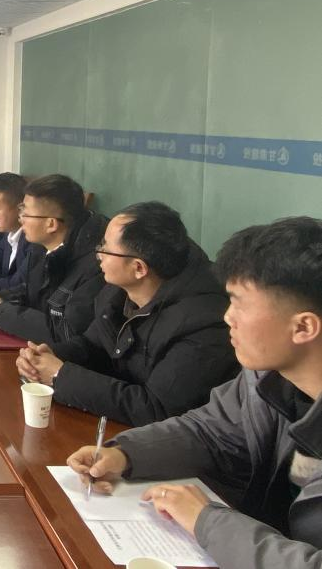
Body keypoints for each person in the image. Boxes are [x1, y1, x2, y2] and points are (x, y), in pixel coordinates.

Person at [67, 217, 322, 569]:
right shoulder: (266, 377)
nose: (227, 317)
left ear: (304, 326)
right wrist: (125, 454)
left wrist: (207, 521)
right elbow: (209, 431)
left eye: (240, 304)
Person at [16, 201, 237, 426]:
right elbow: (93, 346)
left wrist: (60, 375)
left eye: (105, 248)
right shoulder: (117, 292)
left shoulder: (205, 323)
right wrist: (48, 358)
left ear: (139, 268)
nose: (98, 254)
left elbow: (156, 410)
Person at [0, 174, 106, 343]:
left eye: (26, 214)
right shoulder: (41, 246)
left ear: (51, 224)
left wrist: (0, 312)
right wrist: (1, 297)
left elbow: (65, 332)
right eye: (21, 211)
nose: (21, 219)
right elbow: (31, 290)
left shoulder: (95, 266)